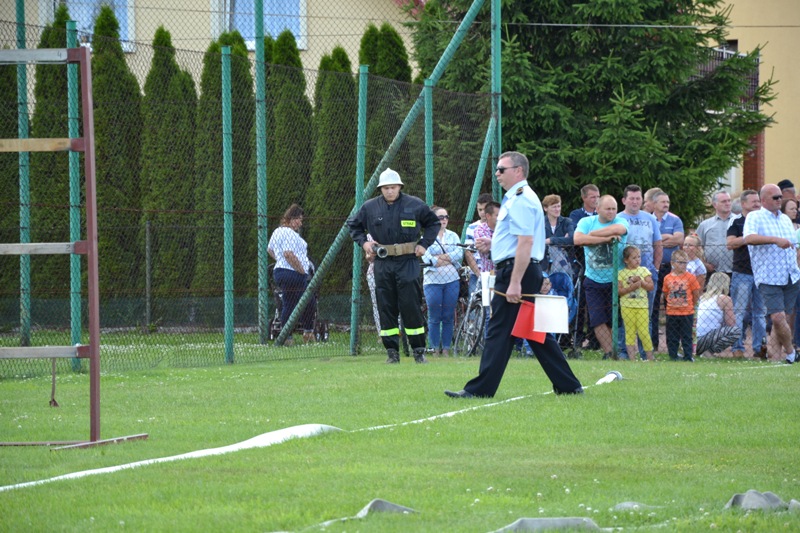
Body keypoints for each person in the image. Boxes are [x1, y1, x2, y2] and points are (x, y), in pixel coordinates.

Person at [444, 151, 583, 398]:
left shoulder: (521, 199)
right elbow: (518, 239)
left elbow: (526, 242)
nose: (497, 173)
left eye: (502, 169)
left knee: (499, 331)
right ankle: (569, 385)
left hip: (517, 272)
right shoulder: (515, 198)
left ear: (518, 171)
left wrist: (515, 282)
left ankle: (479, 390)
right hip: (519, 269)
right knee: (534, 332)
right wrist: (494, 243)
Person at [347, 168, 440, 364]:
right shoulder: (370, 207)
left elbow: (433, 224)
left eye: (393, 187)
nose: (390, 191)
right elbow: (353, 225)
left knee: (411, 305)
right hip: (383, 262)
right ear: (380, 189)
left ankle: (419, 351)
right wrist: (365, 243)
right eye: (386, 188)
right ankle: (392, 353)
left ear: (399, 187)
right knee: (386, 306)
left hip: (408, 261)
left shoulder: (415, 205)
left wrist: (424, 244)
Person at [744, 184, 800, 364]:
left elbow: (793, 246)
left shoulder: (785, 219)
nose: (779, 200)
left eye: (780, 197)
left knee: (781, 320)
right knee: (777, 317)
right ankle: (792, 352)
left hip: (791, 275)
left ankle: (774, 359)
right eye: (775, 197)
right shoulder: (755, 217)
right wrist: (775, 240)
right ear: (763, 200)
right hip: (769, 276)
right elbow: (749, 238)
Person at [573, 195, 629, 359]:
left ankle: (617, 351)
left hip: (616, 279)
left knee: (614, 319)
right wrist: (606, 239)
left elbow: (619, 230)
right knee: (597, 318)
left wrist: (593, 235)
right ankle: (609, 352)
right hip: (593, 278)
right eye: (608, 209)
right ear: (597, 209)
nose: (611, 212)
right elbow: (578, 239)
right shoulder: (586, 222)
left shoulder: (621, 221)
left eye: (614, 209)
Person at [617, 184, 662, 359]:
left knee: (646, 316)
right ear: (624, 200)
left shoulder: (650, 219)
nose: (635, 202)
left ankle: (646, 353)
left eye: (638, 198)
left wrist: (655, 268)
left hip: (647, 274)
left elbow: (657, 244)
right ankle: (624, 352)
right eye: (631, 198)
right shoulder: (618, 218)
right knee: (625, 316)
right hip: (624, 275)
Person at [726, 190, 767, 359]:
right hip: (742, 272)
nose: (757, 204)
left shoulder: (764, 220)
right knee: (739, 312)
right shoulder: (736, 221)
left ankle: (760, 348)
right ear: (743, 204)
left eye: (758, 201)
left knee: (760, 313)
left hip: (762, 273)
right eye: (753, 201)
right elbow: (730, 243)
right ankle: (737, 347)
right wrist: (749, 238)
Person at [268, 204, 316, 345]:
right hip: (293, 273)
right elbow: (288, 254)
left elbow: (270, 250)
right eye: (299, 219)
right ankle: (307, 332)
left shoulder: (277, 231)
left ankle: (287, 337)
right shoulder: (289, 233)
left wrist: (280, 261)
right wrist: (301, 270)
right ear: (292, 218)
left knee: (288, 303)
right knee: (309, 300)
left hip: (280, 272)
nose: (300, 223)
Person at [421, 206, 464, 356]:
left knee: (448, 316)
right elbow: (426, 258)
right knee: (434, 316)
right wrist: (446, 259)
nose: (444, 220)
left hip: (452, 280)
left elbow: (459, 253)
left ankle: (446, 349)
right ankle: (434, 348)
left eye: (446, 217)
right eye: (440, 217)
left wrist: (438, 258)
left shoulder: (453, 236)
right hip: (432, 281)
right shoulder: (426, 237)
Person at [568, 184, 601, 350]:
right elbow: (577, 237)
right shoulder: (576, 215)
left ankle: (595, 340)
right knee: (580, 302)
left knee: (597, 305)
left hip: (598, 264)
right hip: (581, 264)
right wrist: (597, 236)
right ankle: (578, 338)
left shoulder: (601, 215)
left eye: (598, 197)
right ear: (584, 198)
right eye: (592, 197)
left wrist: (589, 236)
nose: (596, 200)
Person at [651, 191, 684, 351]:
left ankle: (672, 345)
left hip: (672, 270)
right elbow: (648, 241)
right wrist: (666, 237)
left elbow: (678, 239)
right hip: (654, 268)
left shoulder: (675, 220)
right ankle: (653, 344)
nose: (666, 204)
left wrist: (657, 241)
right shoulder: (648, 219)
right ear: (654, 203)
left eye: (667, 202)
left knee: (673, 306)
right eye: (663, 202)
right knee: (653, 306)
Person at [662, 250, 702, 361]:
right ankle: (673, 356)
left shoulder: (691, 277)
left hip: (687, 312)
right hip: (672, 312)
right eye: (680, 262)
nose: (683, 265)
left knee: (687, 335)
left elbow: (695, 293)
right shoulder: (667, 278)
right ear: (672, 263)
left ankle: (688, 356)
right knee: (672, 336)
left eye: (685, 262)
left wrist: (690, 305)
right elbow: (666, 293)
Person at [618, 246, 654, 361]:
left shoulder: (644, 271)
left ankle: (650, 357)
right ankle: (632, 359)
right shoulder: (621, 273)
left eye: (639, 257)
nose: (637, 260)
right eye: (634, 258)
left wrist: (641, 282)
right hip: (627, 307)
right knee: (630, 333)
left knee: (644, 332)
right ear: (626, 260)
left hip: (642, 307)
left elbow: (651, 286)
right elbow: (619, 291)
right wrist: (631, 288)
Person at [695, 273, 742, 357]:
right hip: (708, 339)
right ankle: (707, 352)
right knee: (736, 331)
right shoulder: (725, 298)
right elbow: (731, 323)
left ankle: (703, 352)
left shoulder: (702, 298)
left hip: (694, 340)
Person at [695, 190, 736, 277]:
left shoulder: (739, 222)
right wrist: (704, 264)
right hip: (712, 272)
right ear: (715, 205)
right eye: (723, 201)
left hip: (736, 272)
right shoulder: (705, 225)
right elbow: (696, 246)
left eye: (729, 200)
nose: (727, 203)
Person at [464, 193, 494, 293]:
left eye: (485, 209)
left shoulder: (499, 226)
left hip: (495, 271)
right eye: (479, 209)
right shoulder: (471, 227)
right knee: (475, 299)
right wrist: (479, 274)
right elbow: (468, 252)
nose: (482, 213)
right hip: (476, 273)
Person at [542, 194, 576, 277]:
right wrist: (562, 240)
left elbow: (571, 239)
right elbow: (537, 241)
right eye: (554, 207)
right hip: (544, 261)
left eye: (559, 206)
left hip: (566, 260)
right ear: (545, 208)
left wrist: (550, 240)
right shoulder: (540, 222)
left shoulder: (567, 222)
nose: (557, 209)